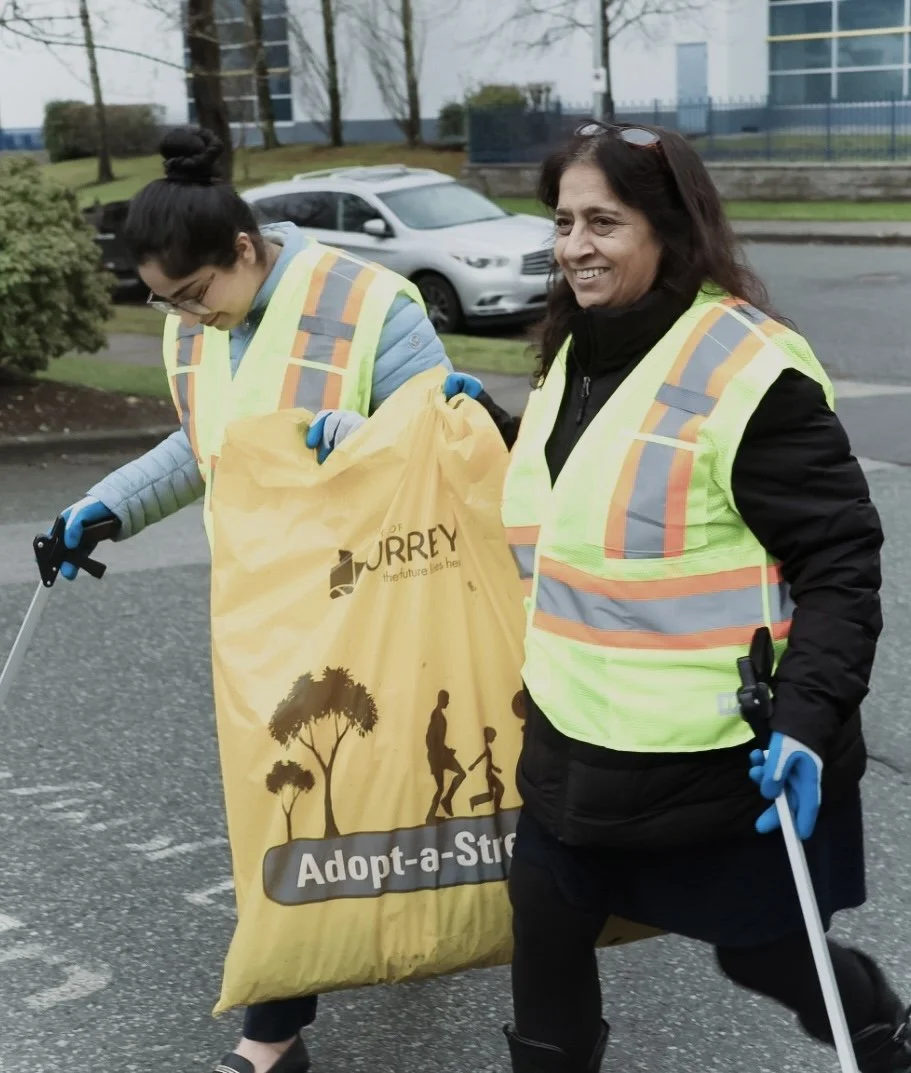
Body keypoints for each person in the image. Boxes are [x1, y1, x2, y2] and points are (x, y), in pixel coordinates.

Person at [454, 122, 909, 1072]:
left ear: (667, 228)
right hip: (571, 738)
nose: (573, 245)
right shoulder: (577, 345)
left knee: (766, 955)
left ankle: (881, 1032)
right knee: (543, 932)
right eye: (563, 220)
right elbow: (584, 491)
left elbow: (839, 561)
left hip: (711, 762)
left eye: (602, 222)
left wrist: (806, 720)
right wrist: (457, 420)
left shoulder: (748, 370)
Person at [55, 126, 461, 1073]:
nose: (187, 321)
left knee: (343, 797)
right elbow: (207, 446)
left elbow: (452, 441)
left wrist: (361, 438)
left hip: (381, 601)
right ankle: (301, 1014)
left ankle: (275, 1036)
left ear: (243, 250)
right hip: (266, 610)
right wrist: (103, 507)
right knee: (296, 804)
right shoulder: (196, 320)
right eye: (166, 305)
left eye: (193, 298)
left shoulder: (371, 307)